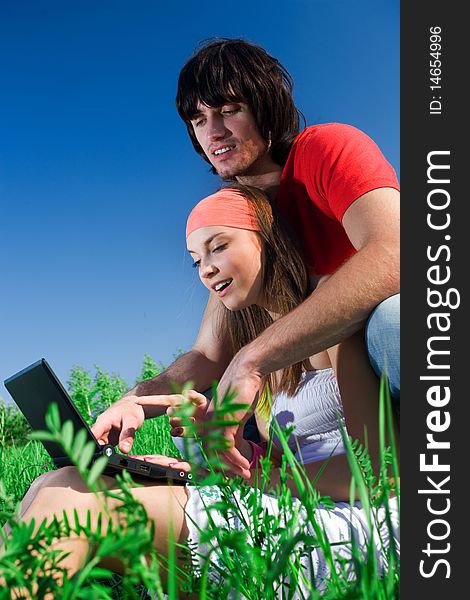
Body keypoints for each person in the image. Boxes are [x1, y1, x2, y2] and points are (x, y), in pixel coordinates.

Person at [7, 187, 399, 595]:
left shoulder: (335, 326)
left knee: (68, 506)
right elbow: (267, 467)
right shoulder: (256, 355)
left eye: (218, 247)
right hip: (289, 508)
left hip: (356, 527)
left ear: (267, 240)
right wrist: (205, 456)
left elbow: (380, 475)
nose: (206, 270)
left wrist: (253, 483)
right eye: (197, 260)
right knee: (57, 481)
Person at [91, 38, 400, 479]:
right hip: (312, 423)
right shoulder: (240, 217)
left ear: (265, 106)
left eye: (228, 110)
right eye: (198, 119)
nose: (212, 131)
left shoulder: (325, 150)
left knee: (396, 321)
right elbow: (207, 353)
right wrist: (136, 398)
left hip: (379, 360)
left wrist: (251, 361)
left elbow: (399, 253)